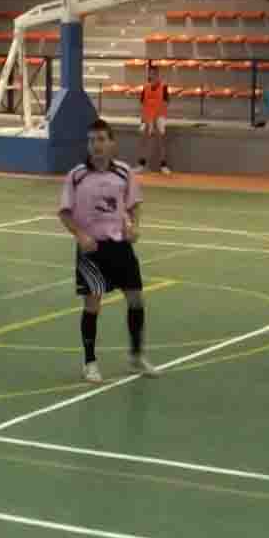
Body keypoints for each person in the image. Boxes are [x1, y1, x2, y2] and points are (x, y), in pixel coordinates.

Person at [59, 119, 159, 384]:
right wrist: (80, 235)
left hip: (120, 247)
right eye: (92, 141)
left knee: (136, 299)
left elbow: (134, 204)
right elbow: (64, 213)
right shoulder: (77, 175)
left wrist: (135, 227)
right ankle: (90, 362)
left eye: (101, 140)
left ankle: (136, 357)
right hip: (92, 250)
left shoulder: (125, 172)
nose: (96, 146)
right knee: (93, 305)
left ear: (112, 143)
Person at [137, 63, 172, 176]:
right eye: (150, 73)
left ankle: (163, 165)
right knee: (144, 140)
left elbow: (166, 103)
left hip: (159, 116)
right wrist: (144, 119)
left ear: (157, 74)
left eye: (154, 73)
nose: (152, 75)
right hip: (147, 117)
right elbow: (143, 104)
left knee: (160, 140)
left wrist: (156, 118)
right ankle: (142, 165)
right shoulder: (145, 87)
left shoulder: (164, 87)